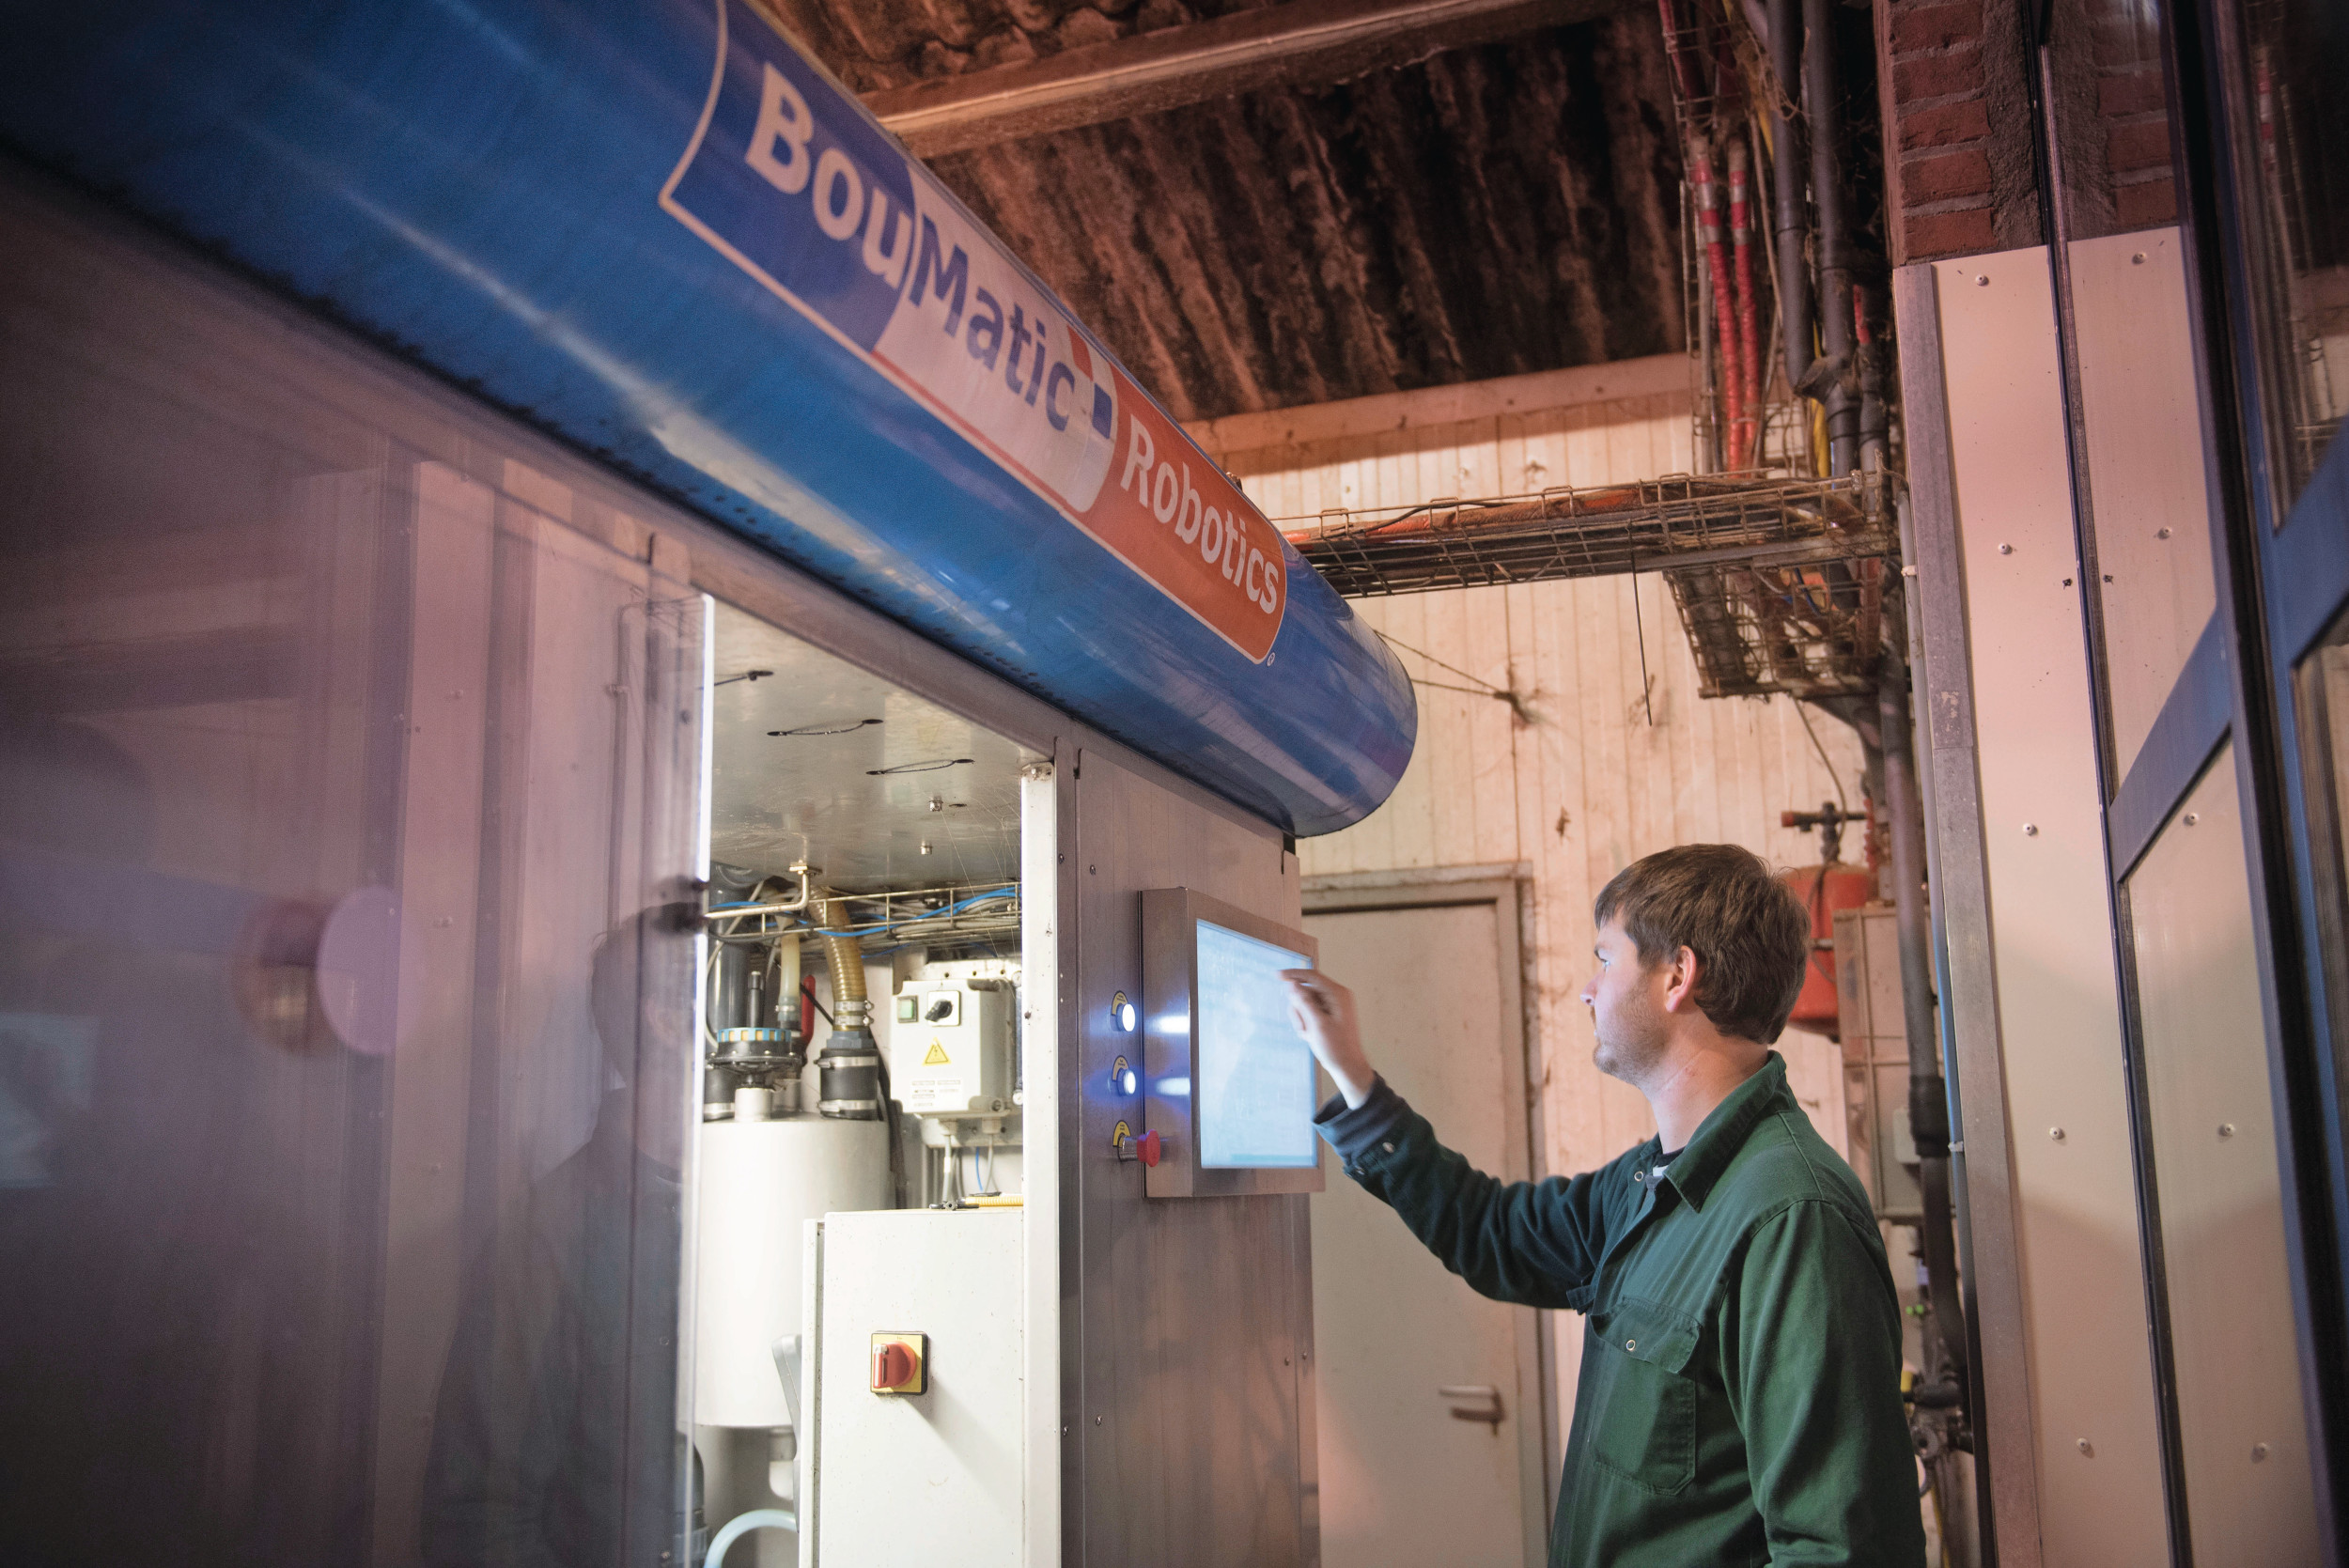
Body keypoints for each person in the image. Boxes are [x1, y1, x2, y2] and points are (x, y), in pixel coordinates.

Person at [1283, 843, 1926, 1568]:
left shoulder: (1790, 1218)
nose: (1586, 990)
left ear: (1678, 975)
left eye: (1604, 958)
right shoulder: (1650, 1179)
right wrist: (1354, 1077)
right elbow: (1493, 1232)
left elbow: (1839, 1551)